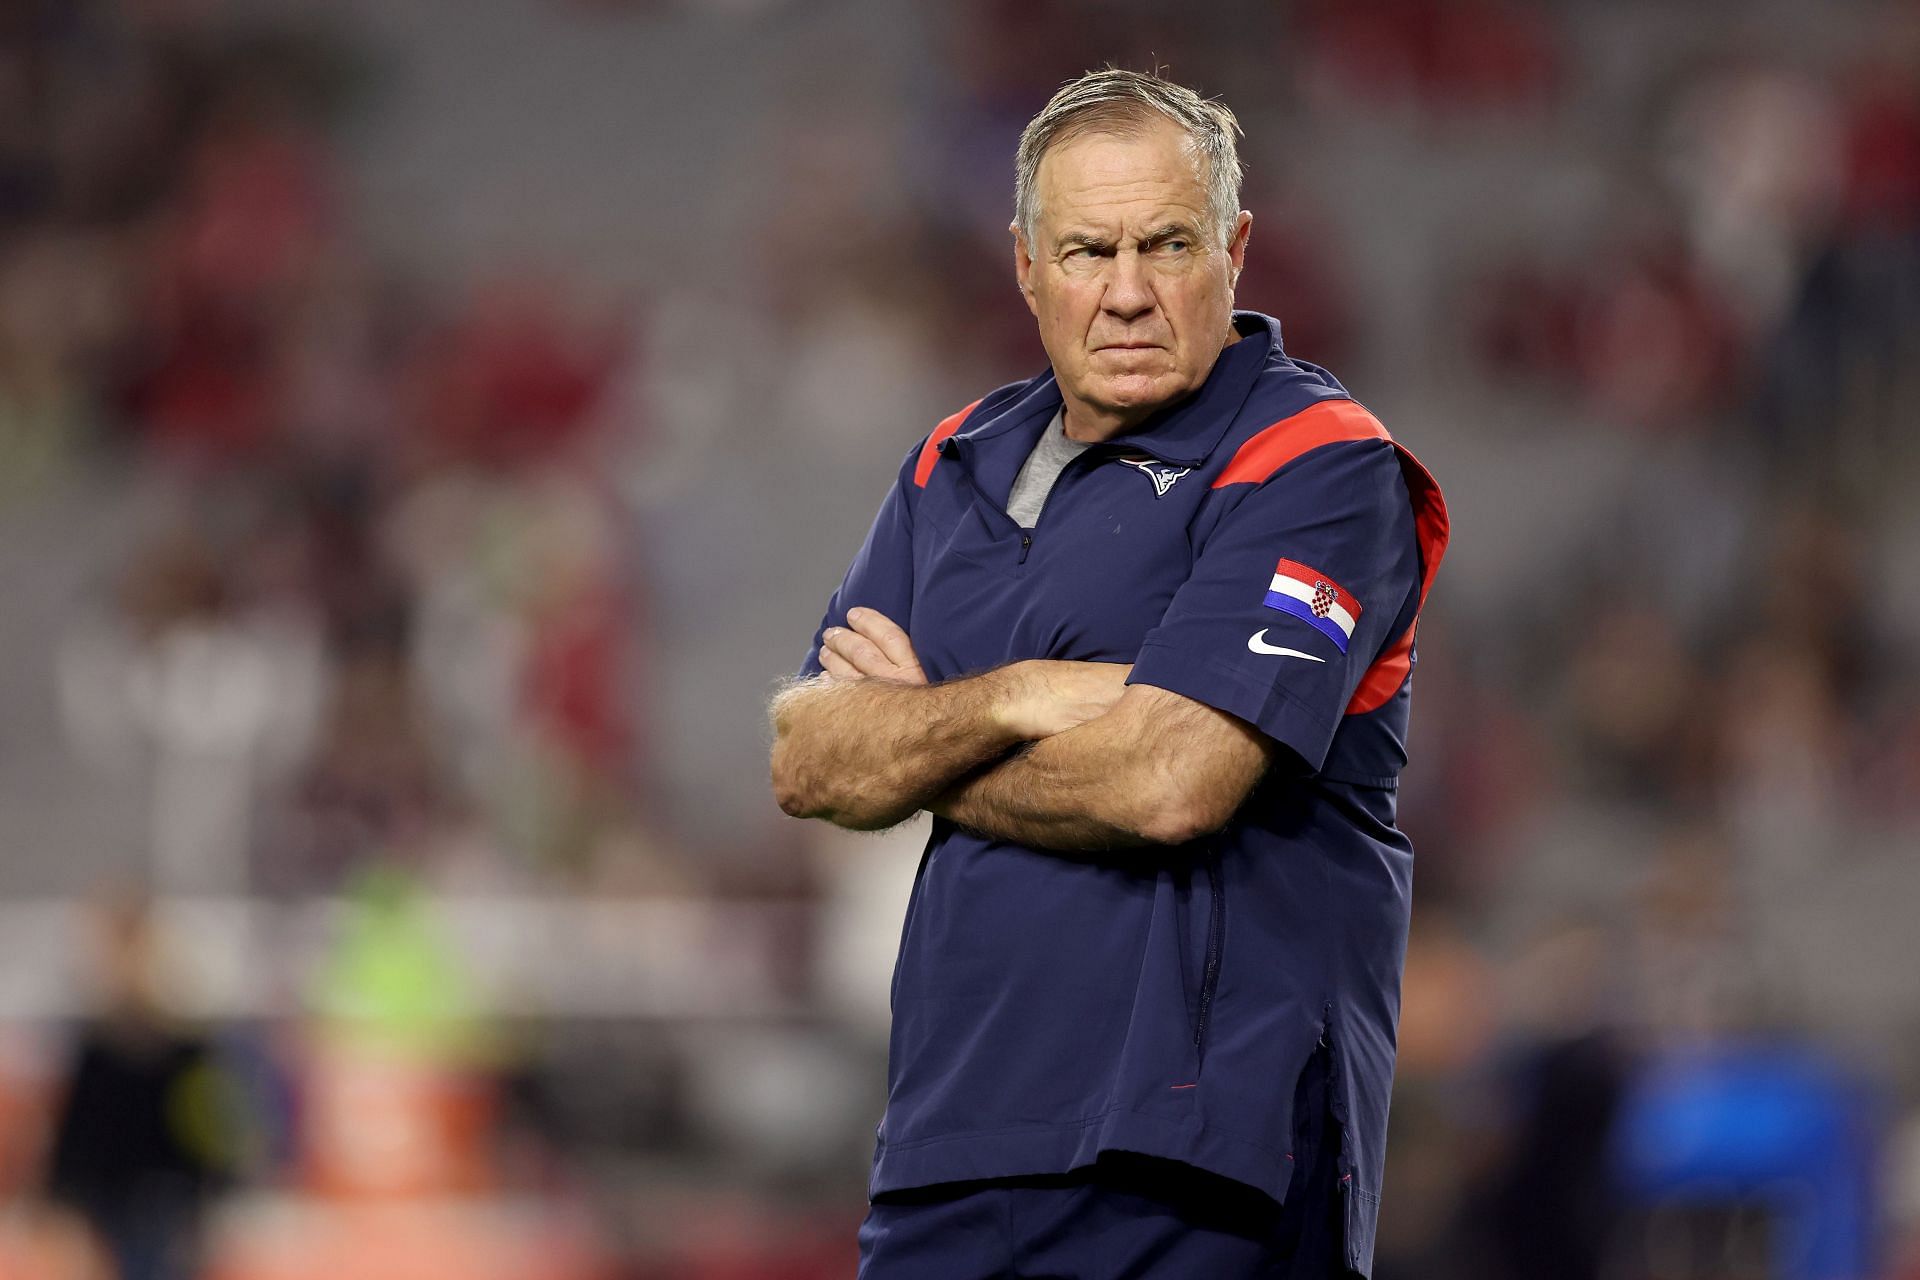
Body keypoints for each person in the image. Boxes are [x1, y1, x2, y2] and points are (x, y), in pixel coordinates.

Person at [770, 68, 1448, 1279]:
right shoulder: (953, 463)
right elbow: (808, 757)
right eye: (1088, 250)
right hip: (948, 1149)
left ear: (1235, 250)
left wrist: (919, 748)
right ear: (1026, 266)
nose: (1127, 293)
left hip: (1202, 1155)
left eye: (1167, 244)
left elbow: (1169, 780)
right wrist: (1021, 693)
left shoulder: (1318, 464)